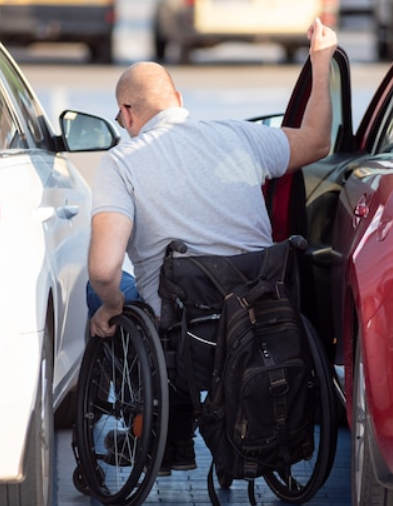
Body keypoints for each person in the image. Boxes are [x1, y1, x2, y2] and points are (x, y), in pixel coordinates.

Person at [87, 18, 338, 475]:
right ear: (179, 100)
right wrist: (320, 63)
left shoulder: (121, 162)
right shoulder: (240, 135)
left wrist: (108, 305)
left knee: (105, 297)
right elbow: (318, 141)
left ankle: (160, 435)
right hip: (262, 312)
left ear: (126, 113)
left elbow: (104, 269)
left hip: (187, 327)